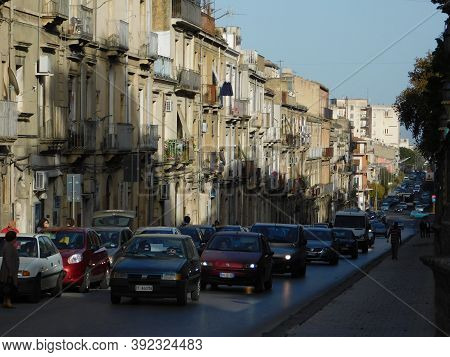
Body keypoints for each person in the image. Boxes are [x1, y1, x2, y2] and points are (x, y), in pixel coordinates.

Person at [0, 231, 20, 308]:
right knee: (9, 286)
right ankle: (8, 302)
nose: (16, 238)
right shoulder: (8, 246)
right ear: (13, 238)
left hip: (9, 269)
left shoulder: (10, 245)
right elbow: (8, 260)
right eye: (15, 237)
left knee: (7, 285)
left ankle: (6, 301)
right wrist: (10, 272)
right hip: (8, 271)